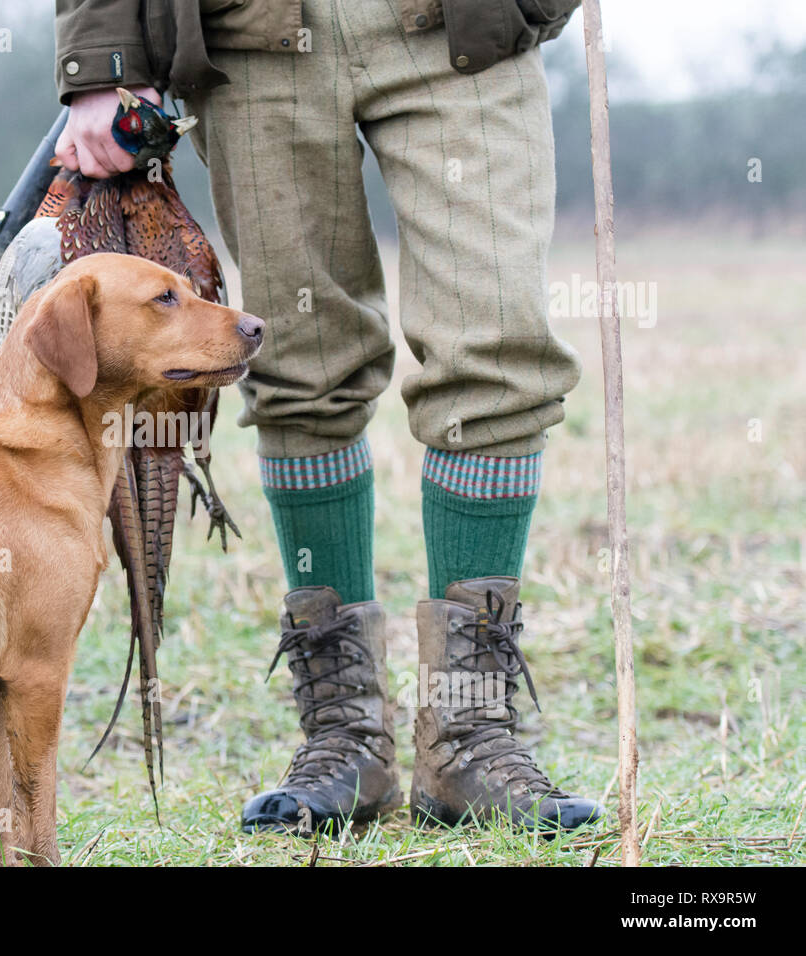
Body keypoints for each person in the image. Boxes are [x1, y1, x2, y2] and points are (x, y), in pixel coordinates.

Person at [53, 0, 601, 833]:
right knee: (296, 365)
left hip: (458, 27)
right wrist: (101, 65)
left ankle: (473, 733)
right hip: (253, 38)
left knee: (498, 352)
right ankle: (345, 737)